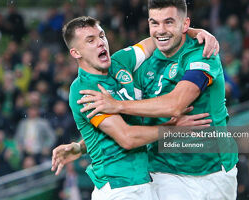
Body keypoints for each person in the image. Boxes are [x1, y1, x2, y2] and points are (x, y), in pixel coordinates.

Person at [78, 0, 238, 199]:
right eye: (155, 23)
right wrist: (82, 146)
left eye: (169, 22)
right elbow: (126, 125)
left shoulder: (202, 54)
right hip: (162, 172)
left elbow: (176, 105)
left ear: (185, 24)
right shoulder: (143, 65)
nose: (160, 30)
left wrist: (118, 105)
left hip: (214, 170)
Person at [51, 16, 216, 200]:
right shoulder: (84, 89)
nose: (101, 43)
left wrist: (196, 32)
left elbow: (159, 39)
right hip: (117, 188)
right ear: (76, 53)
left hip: (143, 182)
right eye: (90, 40)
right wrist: (173, 130)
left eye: (101, 36)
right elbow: (126, 138)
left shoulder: (121, 61)